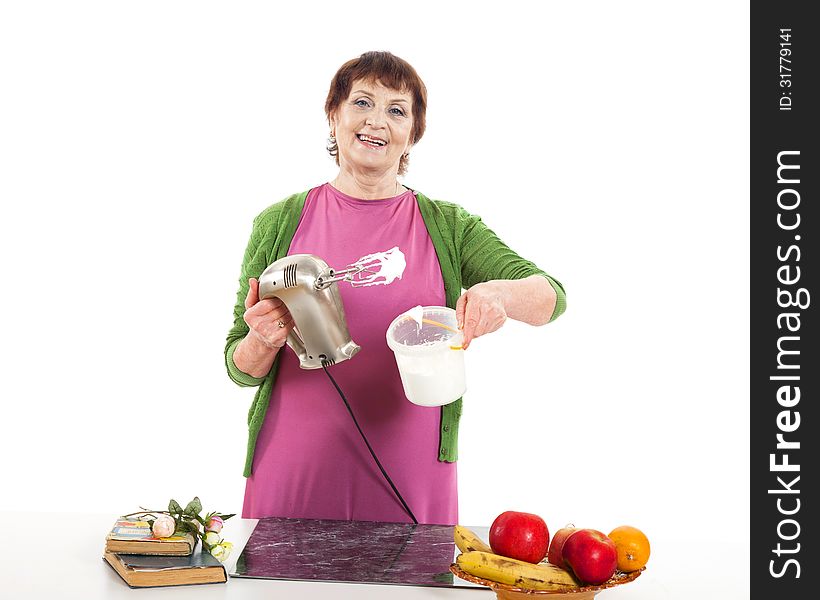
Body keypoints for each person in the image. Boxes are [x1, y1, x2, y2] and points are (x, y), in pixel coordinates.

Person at [225, 51, 566, 525]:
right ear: (334, 114)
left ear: (413, 134)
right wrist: (261, 341)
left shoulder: (448, 226)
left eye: (396, 110)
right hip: (293, 469)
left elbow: (551, 296)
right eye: (362, 102)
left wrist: (499, 296)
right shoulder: (279, 222)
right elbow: (239, 368)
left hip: (412, 474)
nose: (376, 121)